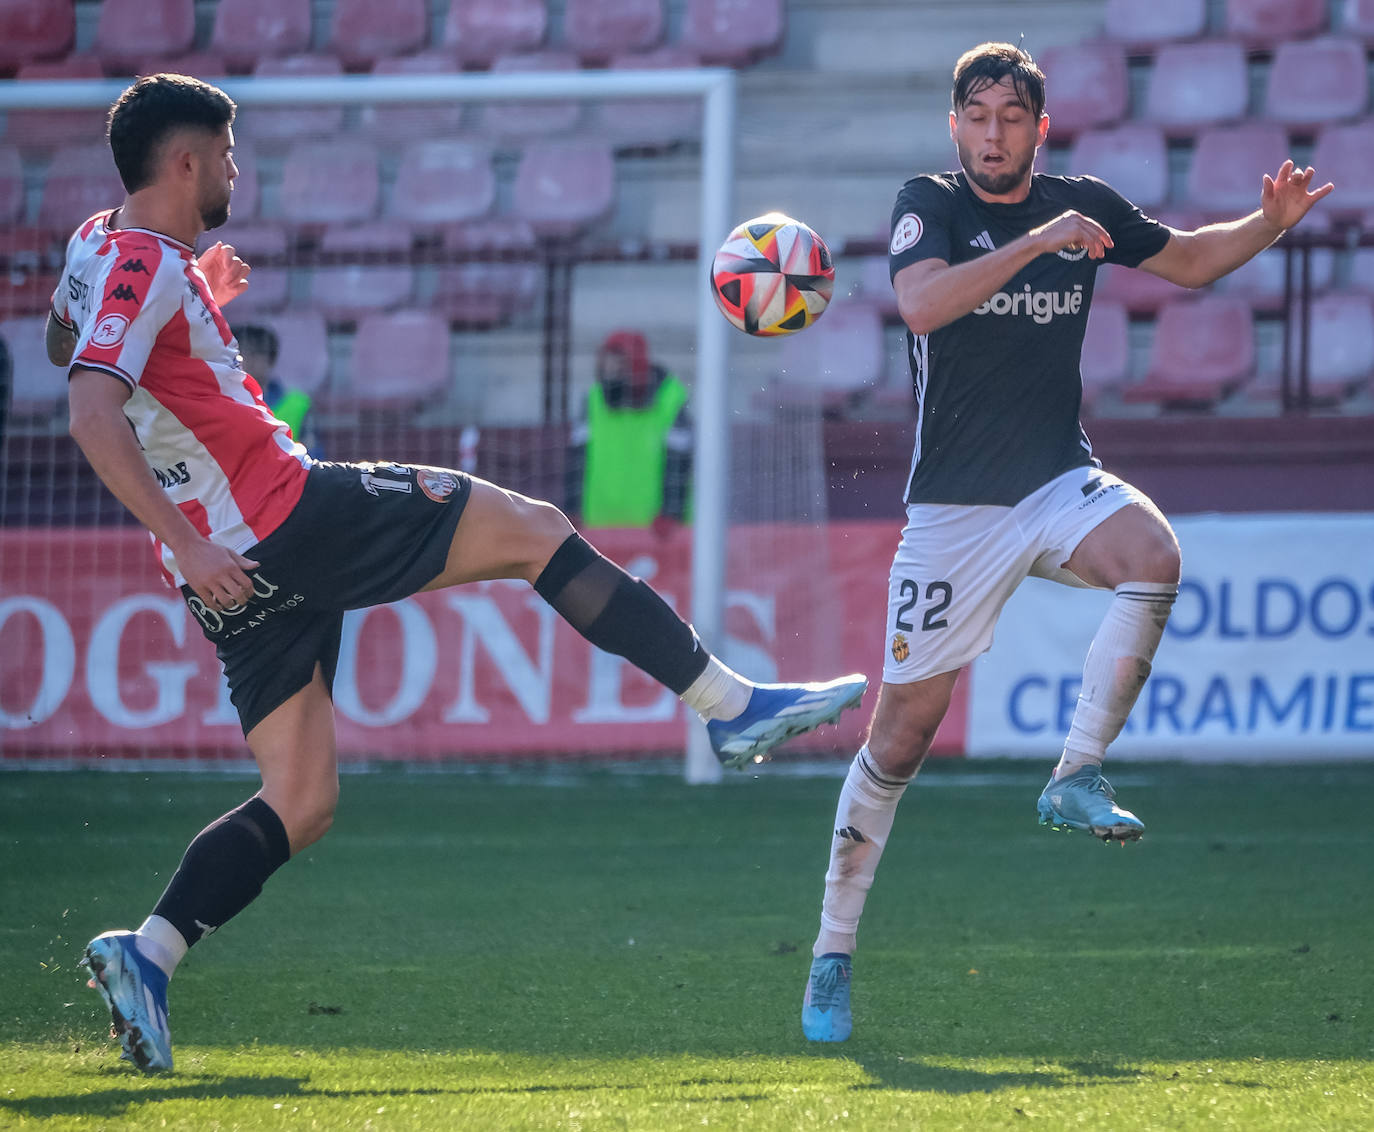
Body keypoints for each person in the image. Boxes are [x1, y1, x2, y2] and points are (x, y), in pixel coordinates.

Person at [50, 73, 867, 1074]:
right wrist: (187, 535)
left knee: (301, 799)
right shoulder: (141, 261)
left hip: (237, 564)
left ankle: (149, 952)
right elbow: (91, 412)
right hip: (281, 514)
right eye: (223, 153)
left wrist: (188, 313)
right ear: (183, 161)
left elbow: (71, 339)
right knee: (532, 529)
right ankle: (727, 701)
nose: (233, 168)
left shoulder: (99, 248)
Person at [799, 42, 1334, 1043]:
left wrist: (1267, 223)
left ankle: (1075, 772)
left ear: (1040, 130)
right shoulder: (931, 202)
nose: (993, 133)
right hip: (955, 511)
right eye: (977, 115)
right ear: (953, 125)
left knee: (1155, 555)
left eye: (1013, 117)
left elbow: (1187, 260)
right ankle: (832, 948)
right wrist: (1039, 244)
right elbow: (920, 303)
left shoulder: (1083, 202)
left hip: (1053, 481)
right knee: (899, 739)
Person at [565, 330, 692, 535]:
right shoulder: (593, 400)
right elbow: (577, 461)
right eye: (606, 363)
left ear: (635, 364)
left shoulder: (670, 400)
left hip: (656, 533)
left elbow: (678, 463)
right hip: (598, 529)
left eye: (618, 363)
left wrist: (671, 514)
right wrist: (571, 511)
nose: (610, 370)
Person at [231, 322, 316, 451]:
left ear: (271, 358)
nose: (247, 360)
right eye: (241, 353)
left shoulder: (297, 404)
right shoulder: (224, 401)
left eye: (255, 353)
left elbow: (313, 454)